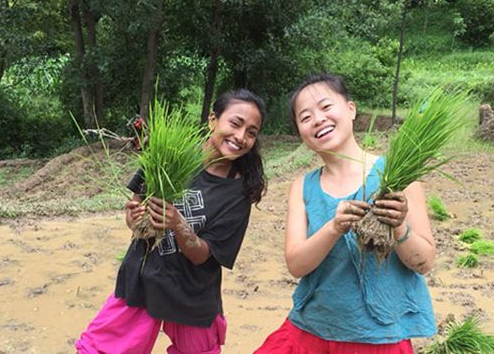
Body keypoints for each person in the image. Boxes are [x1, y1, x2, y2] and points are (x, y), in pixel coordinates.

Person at [255, 73, 436, 353]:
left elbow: (423, 263)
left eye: (326, 107)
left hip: (378, 339)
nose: (318, 119)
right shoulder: (302, 187)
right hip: (310, 332)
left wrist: (399, 226)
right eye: (305, 117)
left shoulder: (397, 175)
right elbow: (296, 265)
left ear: (351, 110)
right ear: (301, 134)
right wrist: (334, 227)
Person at [76, 89, 267, 354]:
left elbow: (202, 256)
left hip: (192, 292)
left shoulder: (239, 192)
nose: (241, 137)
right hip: (143, 279)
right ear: (213, 119)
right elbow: (136, 210)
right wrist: (134, 218)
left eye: (251, 132)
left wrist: (178, 224)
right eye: (235, 123)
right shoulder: (168, 153)